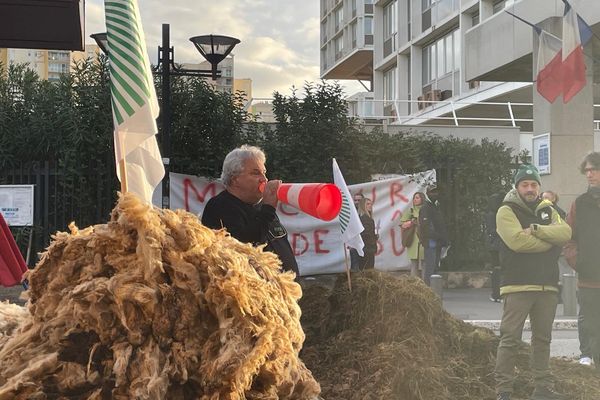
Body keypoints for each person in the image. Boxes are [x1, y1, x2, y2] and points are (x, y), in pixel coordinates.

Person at [494, 164, 571, 400]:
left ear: (539, 187)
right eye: (525, 184)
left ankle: (543, 389)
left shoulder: (547, 209)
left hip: (547, 285)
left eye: (534, 184)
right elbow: (517, 243)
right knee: (510, 340)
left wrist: (536, 229)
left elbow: (566, 233)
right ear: (517, 187)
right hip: (517, 285)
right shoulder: (506, 211)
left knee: (542, 340)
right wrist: (550, 242)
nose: (530, 189)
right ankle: (504, 391)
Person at [201, 145, 298, 275]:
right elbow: (246, 246)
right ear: (235, 179)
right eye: (255, 173)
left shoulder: (261, 207)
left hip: (283, 292)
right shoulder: (220, 207)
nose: (264, 179)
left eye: (264, 172)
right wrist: (268, 208)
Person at [567, 152, 600, 371]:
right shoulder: (579, 203)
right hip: (589, 280)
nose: (590, 174)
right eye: (586, 170)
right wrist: (578, 262)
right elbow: (569, 238)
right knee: (594, 331)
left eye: (594, 169)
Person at [418, 187, 448, 286]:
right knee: (430, 268)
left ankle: (433, 289)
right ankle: (428, 290)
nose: (435, 194)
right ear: (427, 193)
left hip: (437, 242)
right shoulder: (425, 208)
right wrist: (438, 236)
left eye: (436, 191)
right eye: (432, 192)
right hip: (431, 242)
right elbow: (426, 227)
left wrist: (443, 239)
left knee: (435, 268)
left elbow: (440, 224)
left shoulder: (436, 206)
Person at [400, 192, 425, 277]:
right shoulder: (410, 211)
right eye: (414, 198)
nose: (415, 199)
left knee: (425, 263)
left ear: (422, 199)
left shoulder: (426, 210)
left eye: (417, 198)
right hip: (413, 240)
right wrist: (410, 222)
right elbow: (402, 224)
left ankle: (425, 285)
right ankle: (414, 285)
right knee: (414, 264)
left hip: (424, 240)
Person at [485, 192, 505, 303]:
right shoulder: (497, 214)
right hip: (499, 243)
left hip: (493, 245)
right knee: (500, 269)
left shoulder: (489, 213)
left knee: (496, 268)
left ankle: (496, 293)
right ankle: (498, 293)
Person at [356, 197, 378, 270]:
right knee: (367, 270)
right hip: (367, 249)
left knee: (365, 270)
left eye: (371, 204)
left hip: (365, 249)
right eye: (368, 204)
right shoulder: (365, 219)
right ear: (363, 206)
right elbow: (366, 234)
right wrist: (375, 237)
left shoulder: (364, 218)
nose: (370, 205)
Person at [349, 193, 365, 271]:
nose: (357, 202)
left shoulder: (366, 212)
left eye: (359, 200)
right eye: (355, 200)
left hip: (365, 242)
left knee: (364, 265)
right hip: (355, 242)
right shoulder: (351, 213)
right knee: (355, 266)